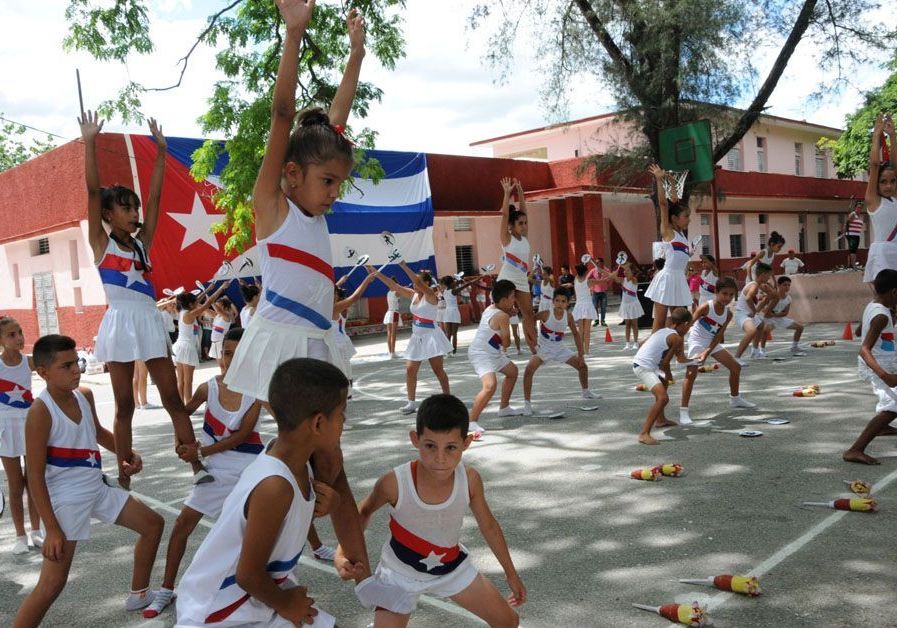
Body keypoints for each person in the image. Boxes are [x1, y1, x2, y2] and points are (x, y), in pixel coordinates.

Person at [220, 0, 371, 583]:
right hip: (284, 344)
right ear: (291, 175)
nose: (334, 192)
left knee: (332, 466)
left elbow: (334, 120)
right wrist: (293, 33)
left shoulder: (315, 203)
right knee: (289, 463)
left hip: (317, 341)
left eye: (339, 181)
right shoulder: (275, 209)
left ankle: (354, 564)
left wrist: (356, 53)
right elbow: (284, 117)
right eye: (328, 181)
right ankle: (258, 569)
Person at [79, 111, 206, 489]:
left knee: (171, 397)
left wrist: (163, 153)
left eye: (133, 208)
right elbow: (90, 191)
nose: (134, 213)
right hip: (120, 320)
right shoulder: (100, 243)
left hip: (147, 319)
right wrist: (89, 142)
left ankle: (197, 466)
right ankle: (124, 475)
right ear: (107, 214)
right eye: (125, 207)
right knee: (124, 405)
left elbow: (155, 199)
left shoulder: (141, 244)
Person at [175, 358, 346, 626]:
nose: (344, 423)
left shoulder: (297, 462)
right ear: (318, 424)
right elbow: (248, 575)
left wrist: (327, 504)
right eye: (341, 415)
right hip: (219, 612)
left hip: (253, 598)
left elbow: (285, 527)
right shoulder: (274, 485)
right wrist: (287, 603)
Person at [15, 335, 164, 625]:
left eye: (77, 363)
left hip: (96, 486)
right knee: (51, 585)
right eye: (66, 366)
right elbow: (33, 477)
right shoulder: (40, 412)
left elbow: (97, 432)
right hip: (65, 500)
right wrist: (53, 528)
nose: (76, 370)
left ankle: (139, 594)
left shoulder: (84, 394)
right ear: (42, 372)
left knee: (153, 525)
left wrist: (127, 453)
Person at [352, 394, 526, 626]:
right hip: (398, 574)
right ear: (415, 439)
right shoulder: (395, 482)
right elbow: (362, 512)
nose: (440, 458)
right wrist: (346, 551)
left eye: (451, 447)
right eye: (430, 446)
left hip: (450, 567)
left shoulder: (470, 479)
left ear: (466, 443)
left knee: (508, 622)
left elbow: (489, 526)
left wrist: (511, 573)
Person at [141, 328, 263, 618]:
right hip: (213, 470)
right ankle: (167, 590)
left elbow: (242, 436)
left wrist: (198, 453)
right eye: (226, 353)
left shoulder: (257, 392)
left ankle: (255, 587)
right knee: (183, 524)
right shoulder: (209, 387)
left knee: (253, 532)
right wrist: (179, 440)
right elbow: (181, 414)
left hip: (248, 468)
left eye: (238, 353)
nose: (230, 359)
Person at [376, 263, 452, 414]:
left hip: (431, 336)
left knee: (438, 371)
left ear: (427, 283)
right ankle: (411, 402)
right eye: (415, 283)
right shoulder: (413, 294)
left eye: (418, 282)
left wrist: (402, 264)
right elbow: (394, 286)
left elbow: (417, 283)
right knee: (410, 370)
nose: (415, 285)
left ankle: (448, 399)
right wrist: (376, 273)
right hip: (416, 337)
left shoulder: (431, 295)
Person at [679, 278, 756, 425]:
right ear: (716, 292)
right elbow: (688, 326)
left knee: (735, 367)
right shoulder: (705, 308)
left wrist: (707, 352)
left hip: (711, 343)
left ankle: (735, 399)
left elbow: (719, 335)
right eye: (724, 293)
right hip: (697, 341)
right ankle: (684, 412)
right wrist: (677, 347)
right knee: (691, 374)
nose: (727, 298)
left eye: (731, 295)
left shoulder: (728, 314)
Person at [843, 269, 897, 464]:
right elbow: (864, 349)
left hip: (885, 361)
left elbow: (859, 331)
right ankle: (855, 450)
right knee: (893, 407)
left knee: (892, 403)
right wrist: (885, 376)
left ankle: (882, 427)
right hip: (876, 366)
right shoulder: (881, 316)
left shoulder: (876, 307)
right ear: (894, 292)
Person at [0, 317, 41, 554]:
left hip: (29, 424)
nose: (19, 338)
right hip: (6, 427)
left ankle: (36, 531)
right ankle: (19, 535)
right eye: (11, 335)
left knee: (34, 481)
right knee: (16, 485)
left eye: (20, 332)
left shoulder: (30, 363)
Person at [523, 289, 597, 415]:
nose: (559, 304)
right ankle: (527, 404)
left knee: (583, 366)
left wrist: (581, 354)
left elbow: (576, 334)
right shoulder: (545, 314)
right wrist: (531, 342)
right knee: (528, 370)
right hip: (544, 348)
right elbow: (526, 321)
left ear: (568, 303)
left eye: (563, 301)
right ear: (553, 301)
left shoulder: (568, 316)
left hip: (560, 348)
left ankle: (586, 392)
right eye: (557, 300)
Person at [467, 279, 520, 438]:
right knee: (490, 386)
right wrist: (509, 322)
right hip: (481, 353)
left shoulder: (492, 307)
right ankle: (471, 421)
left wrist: (508, 313)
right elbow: (507, 342)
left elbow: (499, 318)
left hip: (492, 352)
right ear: (503, 300)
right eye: (512, 297)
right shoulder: (502, 315)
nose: (514, 300)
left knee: (512, 372)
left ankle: (504, 408)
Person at [632, 307, 692, 445]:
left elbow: (643, 345)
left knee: (663, 385)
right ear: (685, 324)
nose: (687, 331)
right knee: (663, 398)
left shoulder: (663, 330)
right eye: (689, 327)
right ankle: (644, 433)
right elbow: (665, 363)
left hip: (645, 364)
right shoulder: (677, 338)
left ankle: (661, 420)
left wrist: (665, 375)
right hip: (644, 367)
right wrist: (669, 375)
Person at [645, 165, 692, 332]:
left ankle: (678, 355)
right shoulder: (668, 231)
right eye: (686, 216)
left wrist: (672, 183)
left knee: (680, 323)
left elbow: (674, 202)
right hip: (667, 279)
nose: (689, 220)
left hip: (679, 279)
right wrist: (659, 179)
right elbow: (664, 205)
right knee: (659, 323)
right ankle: (650, 355)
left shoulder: (681, 235)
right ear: (675, 218)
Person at [497, 177, 537, 352]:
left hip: (521, 280)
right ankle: (499, 347)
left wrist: (521, 192)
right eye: (520, 223)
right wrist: (507, 193)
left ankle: (534, 347)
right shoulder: (506, 239)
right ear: (511, 226)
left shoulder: (525, 238)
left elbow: (524, 211)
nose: (524, 225)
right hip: (506, 280)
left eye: (525, 223)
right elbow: (505, 214)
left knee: (529, 315)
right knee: (501, 314)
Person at [172, 285, 230, 404]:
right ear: (190, 304)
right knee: (188, 380)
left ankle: (180, 403)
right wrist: (221, 288)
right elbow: (206, 304)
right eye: (194, 303)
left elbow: (197, 301)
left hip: (179, 346)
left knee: (181, 380)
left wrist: (208, 289)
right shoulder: (189, 314)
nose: (196, 303)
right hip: (187, 347)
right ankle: (188, 403)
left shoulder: (183, 310)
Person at [862, 113, 897, 285]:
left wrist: (893, 136)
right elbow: (875, 165)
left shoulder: (895, 199)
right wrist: (876, 135)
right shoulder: (874, 201)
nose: (889, 185)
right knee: (884, 299)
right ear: (876, 183)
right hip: (882, 255)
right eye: (883, 182)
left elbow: (895, 166)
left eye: (892, 181)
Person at [332, 267, 378, 384]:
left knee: (341, 373)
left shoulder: (334, 308)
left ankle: (346, 394)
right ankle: (348, 394)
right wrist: (340, 282)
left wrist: (366, 280)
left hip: (337, 344)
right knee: (345, 372)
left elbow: (355, 297)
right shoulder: (337, 307)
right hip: (339, 342)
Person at [733, 262, 776, 364]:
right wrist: (754, 311)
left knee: (760, 325)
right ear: (763, 275)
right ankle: (737, 358)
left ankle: (755, 352)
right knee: (752, 331)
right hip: (742, 314)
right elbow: (748, 298)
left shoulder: (757, 284)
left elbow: (773, 295)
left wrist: (769, 288)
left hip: (747, 313)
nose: (769, 279)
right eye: (768, 276)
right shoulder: (754, 285)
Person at [755, 276, 806, 357]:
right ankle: (762, 351)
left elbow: (785, 313)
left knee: (800, 327)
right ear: (779, 285)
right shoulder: (773, 296)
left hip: (779, 318)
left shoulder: (788, 298)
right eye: (785, 285)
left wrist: (774, 314)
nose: (787, 287)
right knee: (766, 330)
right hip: (768, 319)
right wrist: (768, 313)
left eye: (789, 285)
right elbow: (765, 311)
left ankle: (794, 347)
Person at [604, 261, 644, 350]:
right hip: (625, 305)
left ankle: (636, 342)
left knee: (634, 324)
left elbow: (631, 274)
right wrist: (614, 272)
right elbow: (613, 277)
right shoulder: (622, 280)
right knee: (627, 325)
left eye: (627, 271)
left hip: (633, 304)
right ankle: (627, 343)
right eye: (624, 271)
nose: (625, 272)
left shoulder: (634, 280)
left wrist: (622, 265)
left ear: (632, 272)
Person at [440, 274, 480, 356]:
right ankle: (454, 352)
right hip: (454, 312)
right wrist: (476, 279)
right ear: (451, 283)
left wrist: (463, 279)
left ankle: (448, 352)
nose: (455, 282)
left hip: (447, 312)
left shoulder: (444, 291)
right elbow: (466, 285)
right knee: (454, 334)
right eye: (453, 282)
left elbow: (458, 282)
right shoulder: (454, 291)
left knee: (448, 334)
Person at [572, 263, 600, 354]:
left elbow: (580, 272)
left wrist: (584, 264)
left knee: (581, 331)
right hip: (587, 306)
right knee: (587, 331)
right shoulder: (589, 281)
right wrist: (610, 276)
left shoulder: (575, 279)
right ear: (585, 272)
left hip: (579, 306)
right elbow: (603, 281)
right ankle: (586, 350)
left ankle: (581, 350)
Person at [209, 296, 237, 360]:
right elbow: (206, 310)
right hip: (214, 342)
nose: (217, 306)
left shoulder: (227, 315)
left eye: (219, 305)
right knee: (220, 365)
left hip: (221, 342)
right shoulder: (217, 315)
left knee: (224, 364)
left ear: (224, 306)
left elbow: (218, 310)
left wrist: (211, 301)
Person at [383, 276, 404, 358]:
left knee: (389, 333)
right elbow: (402, 291)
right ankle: (393, 353)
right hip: (394, 313)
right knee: (393, 334)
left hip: (388, 313)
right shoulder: (396, 292)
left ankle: (390, 352)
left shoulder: (388, 292)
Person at [587, 257, 610, 326]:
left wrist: (607, 286)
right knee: (594, 306)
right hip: (595, 292)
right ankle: (596, 320)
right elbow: (587, 279)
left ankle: (603, 320)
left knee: (603, 307)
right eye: (596, 262)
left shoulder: (606, 270)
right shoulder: (593, 270)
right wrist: (590, 287)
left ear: (602, 263)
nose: (596, 264)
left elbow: (609, 279)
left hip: (603, 292)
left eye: (598, 262)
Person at [844, 202, 865, 269]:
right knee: (852, 250)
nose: (859, 209)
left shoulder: (859, 216)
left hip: (857, 235)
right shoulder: (853, 214)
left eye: (861, 208)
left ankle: (852, 264)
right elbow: (847, 222)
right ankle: (853, 265)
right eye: (858, 207)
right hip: (851, 235)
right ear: (855, 208)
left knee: (854, 250)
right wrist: (845, 231)